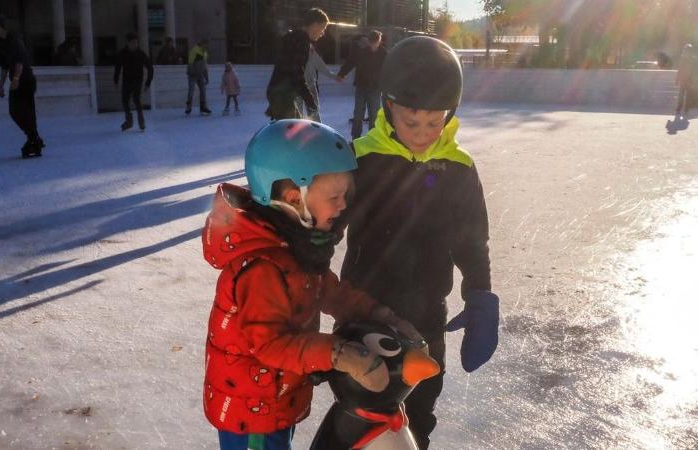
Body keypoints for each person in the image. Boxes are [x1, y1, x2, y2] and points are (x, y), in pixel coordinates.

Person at [201, 119, 422, 450]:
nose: (343, 205)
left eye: (346, 195)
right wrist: (338, 354)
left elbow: (331, 292)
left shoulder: (295, 247)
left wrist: (380, 314)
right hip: (251, 413)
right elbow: (271, 345)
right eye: (335, 196)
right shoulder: (262, 268)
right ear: (294, 199)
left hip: (276, 399)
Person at [338, 36, 500, 450]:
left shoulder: (459, 169)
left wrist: (479, 293)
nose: (424, 134)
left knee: (420, 410)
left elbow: (471, 239)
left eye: (436, 122)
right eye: (413, 123)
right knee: (362, 410)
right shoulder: (359, 161)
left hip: (427, 317)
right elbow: (326, 228)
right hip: (364, 313)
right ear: (388, 106)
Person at [0, 14, 44, 158]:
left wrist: (16, 78)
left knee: (26, 112)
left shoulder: (15, 39)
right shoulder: (1, 44)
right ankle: (34, 138)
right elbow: (4, 67)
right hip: (17, 81)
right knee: (14, 111)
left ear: (1, 26)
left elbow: (20, 60)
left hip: (25, 80)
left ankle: (34, 139)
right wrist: (1, 86)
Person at [265, 8, 329, 120]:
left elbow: (287, 68)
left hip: (278, 92)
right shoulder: (302, 42)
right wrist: (310, 101)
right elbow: (296, 73)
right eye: (322, 28)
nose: (322, 33)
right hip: (283, 94)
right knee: (293, 132)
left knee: (291, 129)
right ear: (314, 25)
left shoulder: (292, 37)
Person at [337, 30, 386, 140]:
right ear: (368, 41)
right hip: (361, 86)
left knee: (374, 114)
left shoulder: (384, 55)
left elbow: (390, 70)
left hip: (375, 88)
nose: (373, 44)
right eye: (371, 42)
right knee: (358, 113)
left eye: (375, 42)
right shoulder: (361, 52)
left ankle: (373, 137)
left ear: (379, 41)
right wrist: (341, 74)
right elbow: (350, 62)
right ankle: (355, 136)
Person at [114, 33, 153, 131]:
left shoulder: (140, 54)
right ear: (128, 43)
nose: (135, 44)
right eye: (133, 43)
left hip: (137, 81)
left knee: (136, 100)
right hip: (127, 80)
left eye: (136, 42)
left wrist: (148, 82)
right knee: (125, 100)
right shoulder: (122, 53)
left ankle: (141, 122)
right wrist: (116, 80)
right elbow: (118, 67)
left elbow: (150, 68)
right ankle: (129, 121)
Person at [302, 43, 339, 122]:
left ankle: (316, 129)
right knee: (298, 113)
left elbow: (322, 67)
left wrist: (334, 77)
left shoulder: (312, 53)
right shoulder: (296, 53)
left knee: (313, 111)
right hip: (298, 86)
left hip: (310, 85)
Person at [186, 38, 211, 115]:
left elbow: (205, 66)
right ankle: (188, 107)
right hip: (193, 74)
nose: (206, 47)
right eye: (205, 45)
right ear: (202, 44)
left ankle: (203, 107)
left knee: (203, 90)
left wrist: (206, 77)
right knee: (191, 91)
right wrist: (191, 72)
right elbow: (190, 62)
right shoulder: (194, 50)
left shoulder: (205, 53)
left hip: (200, 74)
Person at [675, 43, 698, 118]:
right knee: (683, 95)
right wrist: (677, 79)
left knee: (685, 95)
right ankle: (683, 109)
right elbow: (680, 69)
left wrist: (677, 79)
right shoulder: (686, 59)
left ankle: (683, 109)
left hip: (688, 80)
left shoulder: (691, 59)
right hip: (686, 80)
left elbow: (695, 71)